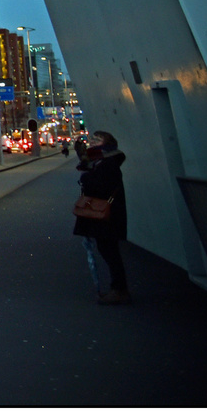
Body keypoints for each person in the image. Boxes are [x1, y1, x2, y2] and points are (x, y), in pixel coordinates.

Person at [74, 130, 129, 304]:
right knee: (108, 250)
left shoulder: (108, 163)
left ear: (107, 143)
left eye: (96, 140)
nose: (91, 142)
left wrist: (86, 178)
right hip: (107, 214)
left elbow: (98, 185)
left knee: (110, 252)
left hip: (107, 215)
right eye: (91, 140)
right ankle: (118, 288)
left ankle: (119, 290)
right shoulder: (103, 160)